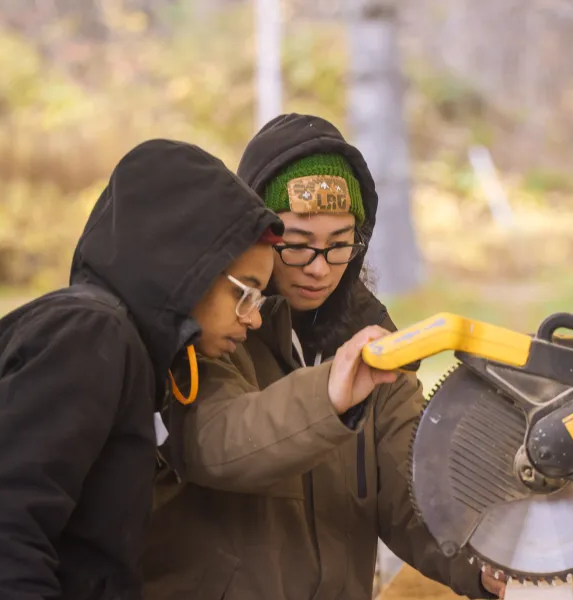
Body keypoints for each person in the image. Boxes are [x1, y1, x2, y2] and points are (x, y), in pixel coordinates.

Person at [144, 114, 506, 599]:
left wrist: (487, 563)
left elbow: (414, 500)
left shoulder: (374, 348)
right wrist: (330, 394)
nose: (320, 269)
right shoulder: (212, 334)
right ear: (254, 232)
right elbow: (216, 441)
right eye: (297, 245)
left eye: (340, 245)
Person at [0, 138, 286, 600]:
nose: (253, 319)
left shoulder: (133, 352)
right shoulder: (89, 335)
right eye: (246, 293)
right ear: (187, 266)